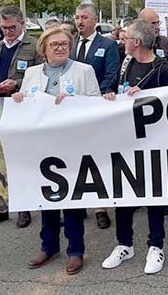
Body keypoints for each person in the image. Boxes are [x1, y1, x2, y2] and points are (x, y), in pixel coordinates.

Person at [16, 27, 101, 275]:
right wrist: (19, 99)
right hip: (41, 146)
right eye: (55, 45)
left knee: (72, 199)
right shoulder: (32, 73)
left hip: (72, 145)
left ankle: (76, 250)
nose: (61, 48)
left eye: (64, 44)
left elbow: (96, 105)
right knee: (47, 198)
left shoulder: (84, 71)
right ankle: (48, 245)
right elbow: (26, 103)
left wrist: (76, 103)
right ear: (44, 49)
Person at [101, 20, 168, 275]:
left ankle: (156, 245)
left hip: (153, 143)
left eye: (127, 37)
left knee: (153, 195)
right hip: (125, 141)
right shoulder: (126, 63)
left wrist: (145, 99)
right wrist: (111, 94)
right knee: (123, 195)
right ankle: (124, 243)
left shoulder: (161, 69)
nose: (123, 40)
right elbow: (113, 88)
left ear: (138, 42)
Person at [0, 6, 43, 230]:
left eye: (12, 27)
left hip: (22, 107)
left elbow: (42, 75)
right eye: (4, 28)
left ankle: (24, 207)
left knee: (20, 157)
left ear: (22, 24)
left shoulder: (35, 46)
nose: (7, 32)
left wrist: (17, 83)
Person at [72, 3, 119, 229]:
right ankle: (79, 203)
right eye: (77, 18)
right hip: (72, 111)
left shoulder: (107, 45)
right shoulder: (70, 45)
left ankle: (101, 207)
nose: (79, 22)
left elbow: (111, 74)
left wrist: (94, 99)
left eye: (84, 18)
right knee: (76, 157)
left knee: (97, 159)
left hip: (96, 108)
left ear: (93, 20)